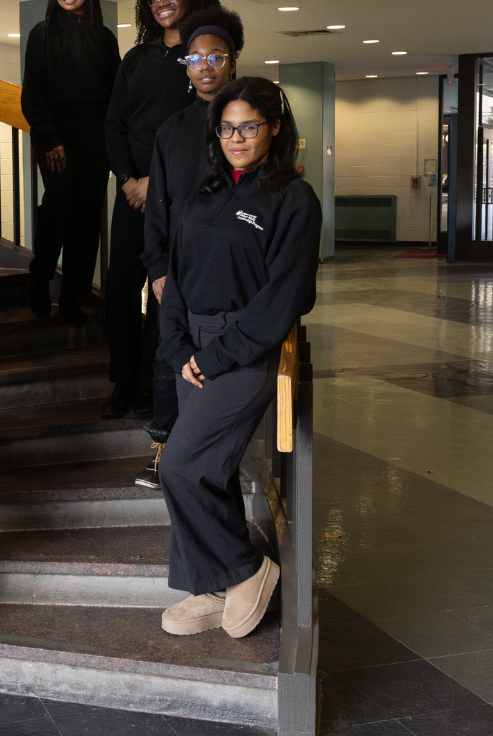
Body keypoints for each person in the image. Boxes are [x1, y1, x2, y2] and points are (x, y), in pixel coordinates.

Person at [156, 77, 321, 640]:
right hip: (194, 347)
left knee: (180, 465)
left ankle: (247, 568)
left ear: (274, 129)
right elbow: (174, 280)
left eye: (249, 126)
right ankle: (212, 582)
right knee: (212, 472)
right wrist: (177, 345)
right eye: (227, 128)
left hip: (246, 350)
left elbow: (285, 298)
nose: (237, 138)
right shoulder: (202, 194)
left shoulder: (292, 199)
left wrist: (220, 353)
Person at [102, 0, 219, 420]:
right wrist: (130, 181)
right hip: (131, 192)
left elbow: (198, 131)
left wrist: (155, 181)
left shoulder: (201, 59)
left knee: (166, 290)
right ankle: (123, 383)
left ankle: (158, 379)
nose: (162, 1)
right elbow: (114, 125)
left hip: (177, 195)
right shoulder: (136, 59)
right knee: (121, 288)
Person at [135, 7, 244, 490]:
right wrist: (156, 267)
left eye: (215, 56)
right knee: (168, 355)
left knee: (222, 357)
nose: (204, 66)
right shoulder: (172, 130)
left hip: (231, 270)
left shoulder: (248, 123)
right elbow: (157, 206)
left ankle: (218, 454)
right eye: (194, 57)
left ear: (232, 61)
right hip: (176, 270)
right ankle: (164, 449)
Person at [20, 0, 121, 326]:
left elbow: (116, 97)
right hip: (54, 137)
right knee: (59, 206)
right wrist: (51, 139)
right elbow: (32, 93)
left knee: (87, 218)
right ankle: (41, 273)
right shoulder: (42, 34)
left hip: (95, 137)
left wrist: (113, 143)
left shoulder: (105, 38)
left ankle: (73, 293)